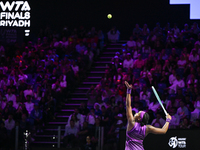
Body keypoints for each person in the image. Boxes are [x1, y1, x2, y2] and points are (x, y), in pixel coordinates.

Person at [124, 81, 171, 150]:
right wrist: (168, 120)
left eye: (138, 113)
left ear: (139, 119)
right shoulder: (147, 128)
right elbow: (163, 131)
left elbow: (128, 106)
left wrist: (128, 91)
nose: (136, 113)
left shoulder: (131, 123)